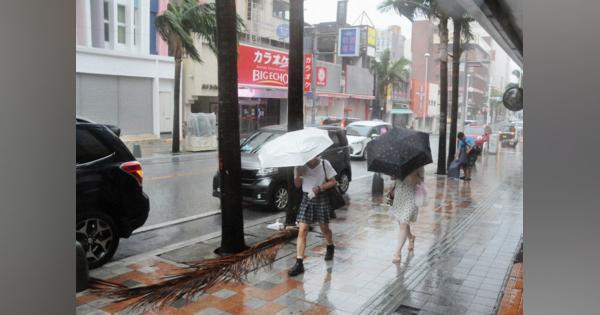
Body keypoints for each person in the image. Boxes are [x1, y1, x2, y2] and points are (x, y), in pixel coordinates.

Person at [288, 156, 338, 276]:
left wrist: (319, 188)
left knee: (324, 228)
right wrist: (297, 175)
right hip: (307, 198)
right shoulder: (299, 166)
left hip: (321, 198)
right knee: (303, 230)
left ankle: (330, 246)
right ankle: (299, 262)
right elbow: (297, 186)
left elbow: (333, 181)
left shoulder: (325, 163)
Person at [389, 166, 424, 263]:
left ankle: (397, 252)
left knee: (404, 223)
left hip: (411, 197)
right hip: (399, 195)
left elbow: (421, 181)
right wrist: (394, 175)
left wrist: (411, 175)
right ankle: (411, 237)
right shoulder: (398, 163)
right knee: (401, 222)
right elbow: (393, 179)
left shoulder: (418, 165)